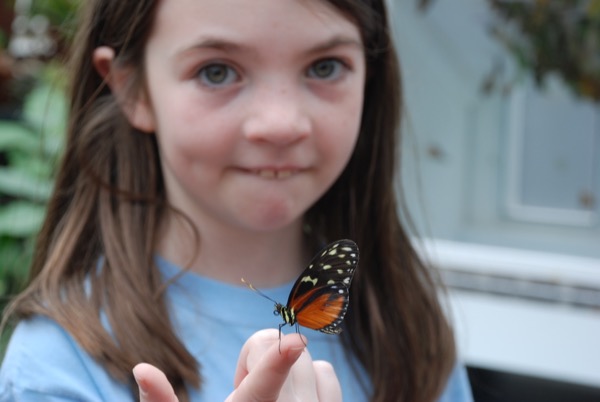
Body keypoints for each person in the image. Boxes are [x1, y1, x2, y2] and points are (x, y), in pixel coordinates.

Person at [0, 0, 473, 401]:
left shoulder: (412, 335)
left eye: (325, 67)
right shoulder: (56, 367)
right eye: (217, 71)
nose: (280, 123)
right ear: (131, 87)